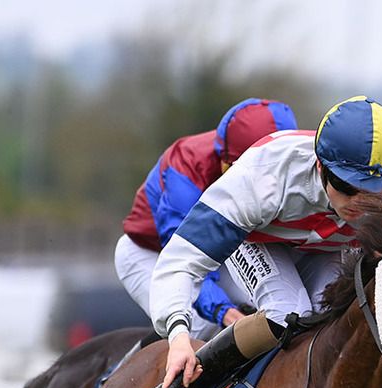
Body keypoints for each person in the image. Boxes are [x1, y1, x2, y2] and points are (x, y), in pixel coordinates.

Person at [140, 96, 382, 388]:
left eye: (375, 192)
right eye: (348, 187)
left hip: (327, 250)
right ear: (320, 167)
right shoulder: (264, 176)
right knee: (290, 314)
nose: (361, 204)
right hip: (260, 240)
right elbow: (180, 261)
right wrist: (178, 336)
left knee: (340, 325)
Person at [115, 98, 299, 340]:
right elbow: (184, 257)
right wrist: (224, 311)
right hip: (154, 253)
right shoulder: (185, 170)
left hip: (227, 251)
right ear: (227, 161)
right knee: (203, 331)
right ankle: (129, 374)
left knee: (275, 313)